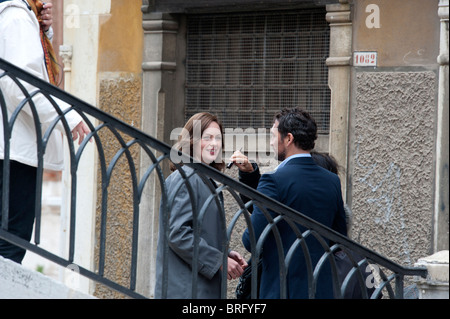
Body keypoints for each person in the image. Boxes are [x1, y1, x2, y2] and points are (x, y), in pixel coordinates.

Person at [0, 0, 90, 263]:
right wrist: (66, 116)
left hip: (13, 147)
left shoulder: (18, 16)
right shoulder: (16, 18)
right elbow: (20, 84)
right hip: (15, 151)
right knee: (11, 242)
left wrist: (41, 32)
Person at [235, 107, 347, 299]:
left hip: (282, 289)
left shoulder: (273, 181)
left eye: (273, 136)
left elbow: (251, 240)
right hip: (322, 289)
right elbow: (339, 237)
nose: (270, 143)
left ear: (288, 139)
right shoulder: (332, 180)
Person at [154, 112, 247, 299]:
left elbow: (200, 233)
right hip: (185, 292)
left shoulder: (201, 178)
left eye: (218, 138)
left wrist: (226, 253)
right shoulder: (185, 178)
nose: (214, 144)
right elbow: (178, 233)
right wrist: (218, 260)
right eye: (208, 138)